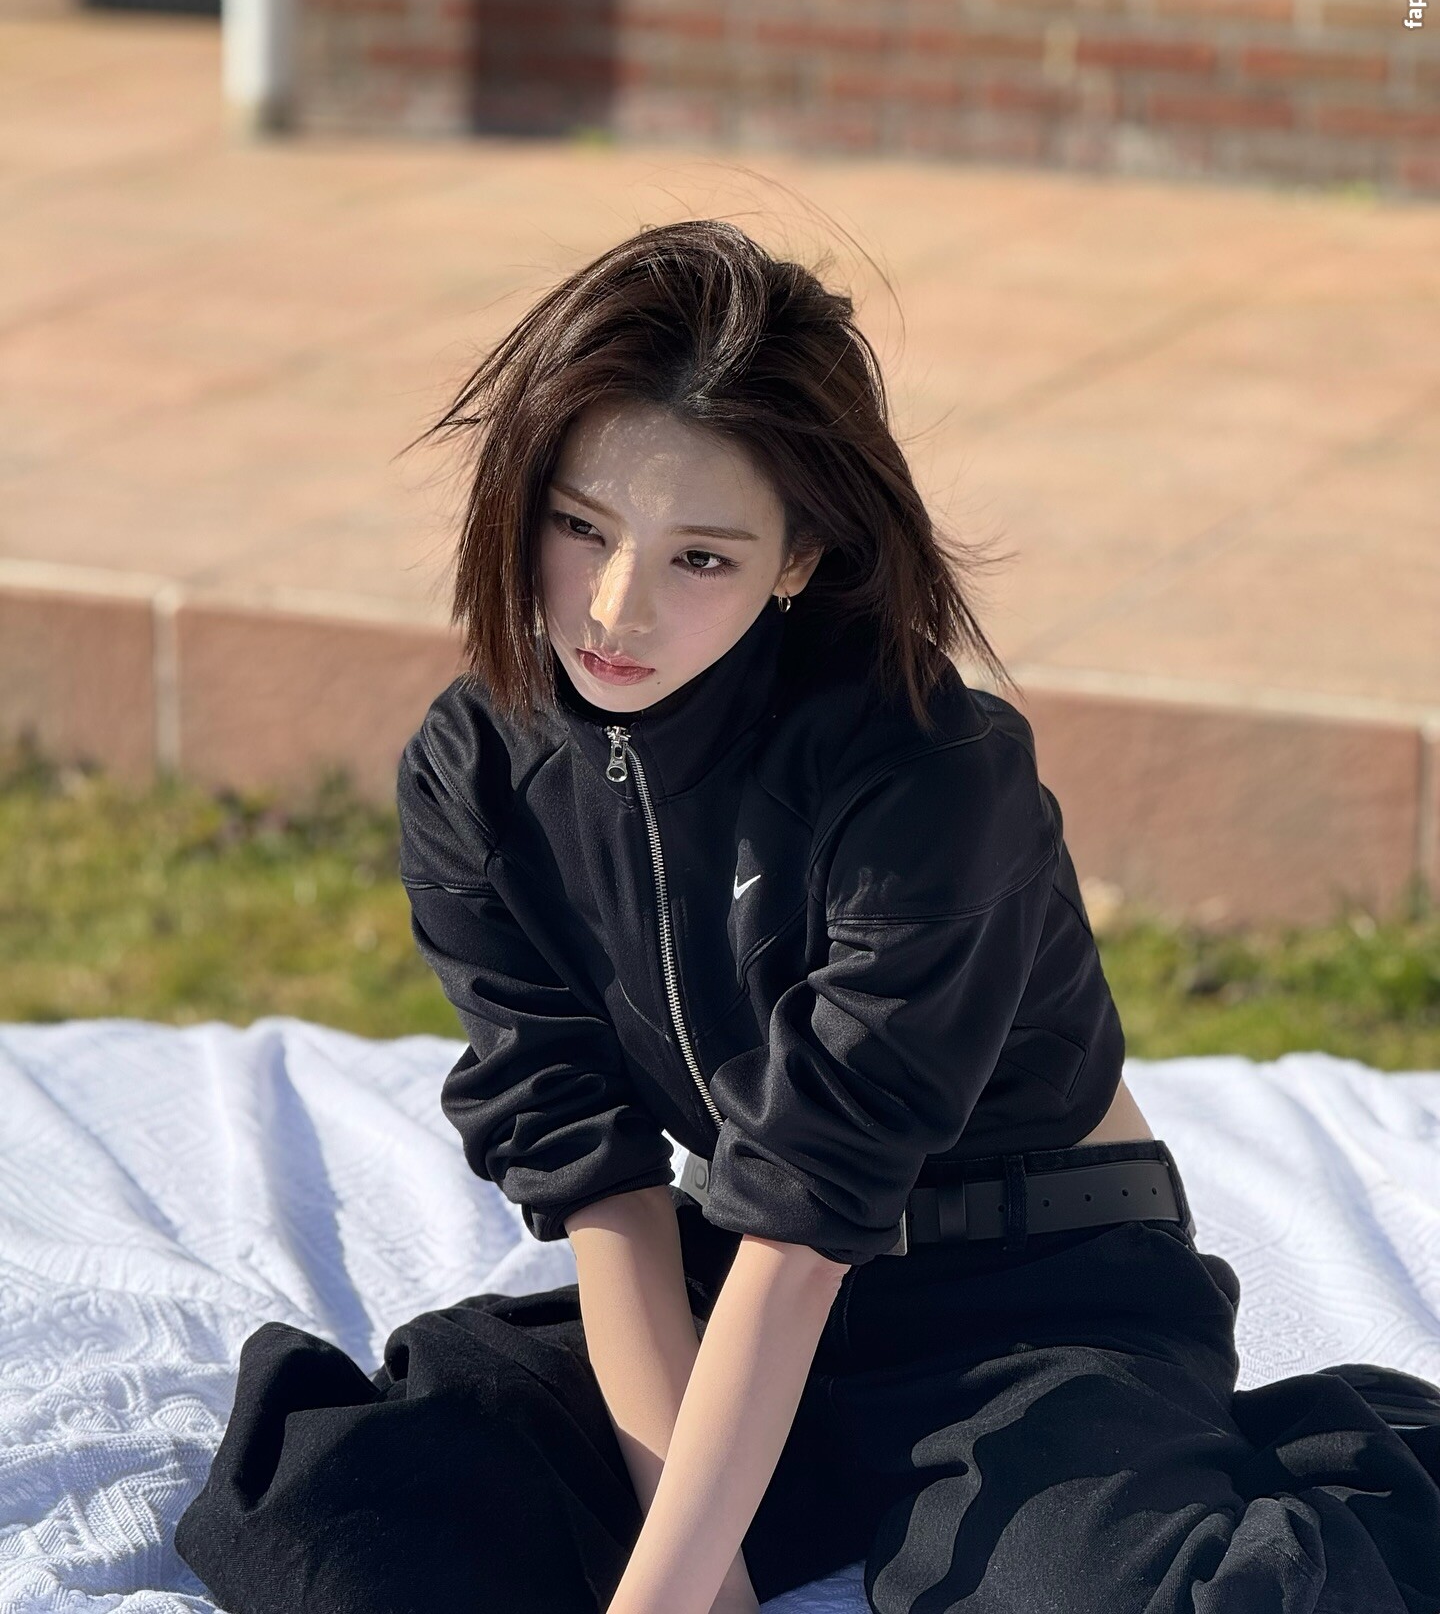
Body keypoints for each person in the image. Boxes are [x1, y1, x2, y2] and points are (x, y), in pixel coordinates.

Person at [173, 219, 1440, 1614]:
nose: (614, 610)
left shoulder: (929, 774)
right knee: (341, 1511)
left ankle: (1347, 1458)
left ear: (798, 559)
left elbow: (808, 1223)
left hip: (1032, 1295)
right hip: (737, 1283)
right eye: (581, 527)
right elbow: (604, 1184)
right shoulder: (476, 771)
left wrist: (662, 1597)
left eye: (700, 559)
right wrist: (698, 1570)